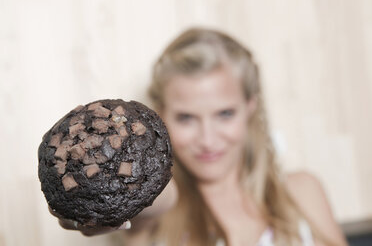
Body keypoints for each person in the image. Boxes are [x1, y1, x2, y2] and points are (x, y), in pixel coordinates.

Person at [56, 28, 348, 246]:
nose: (208, 140)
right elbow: (152, 200)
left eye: (224, 114)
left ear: (250, 108)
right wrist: (105, 195)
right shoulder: (159, 218)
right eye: (186, 118)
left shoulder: (303, 194)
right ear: (160, 118)